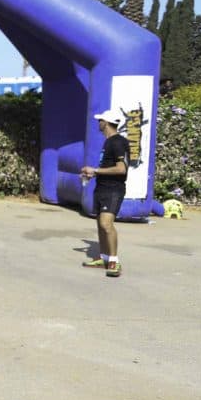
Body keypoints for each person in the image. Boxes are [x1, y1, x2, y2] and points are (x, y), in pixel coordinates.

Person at [80, 110, 129, 277]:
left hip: (113, 190)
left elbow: (121, 169)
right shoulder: (108, 142)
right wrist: (93, 174)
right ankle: (104, 258)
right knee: (100, 225)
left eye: (100, 120)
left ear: (106, 123)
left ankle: (114, 262)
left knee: (106, 224)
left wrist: (95, 170)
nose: (98, 123)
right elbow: (108, 168)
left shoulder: (118, 142)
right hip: (102, 188)